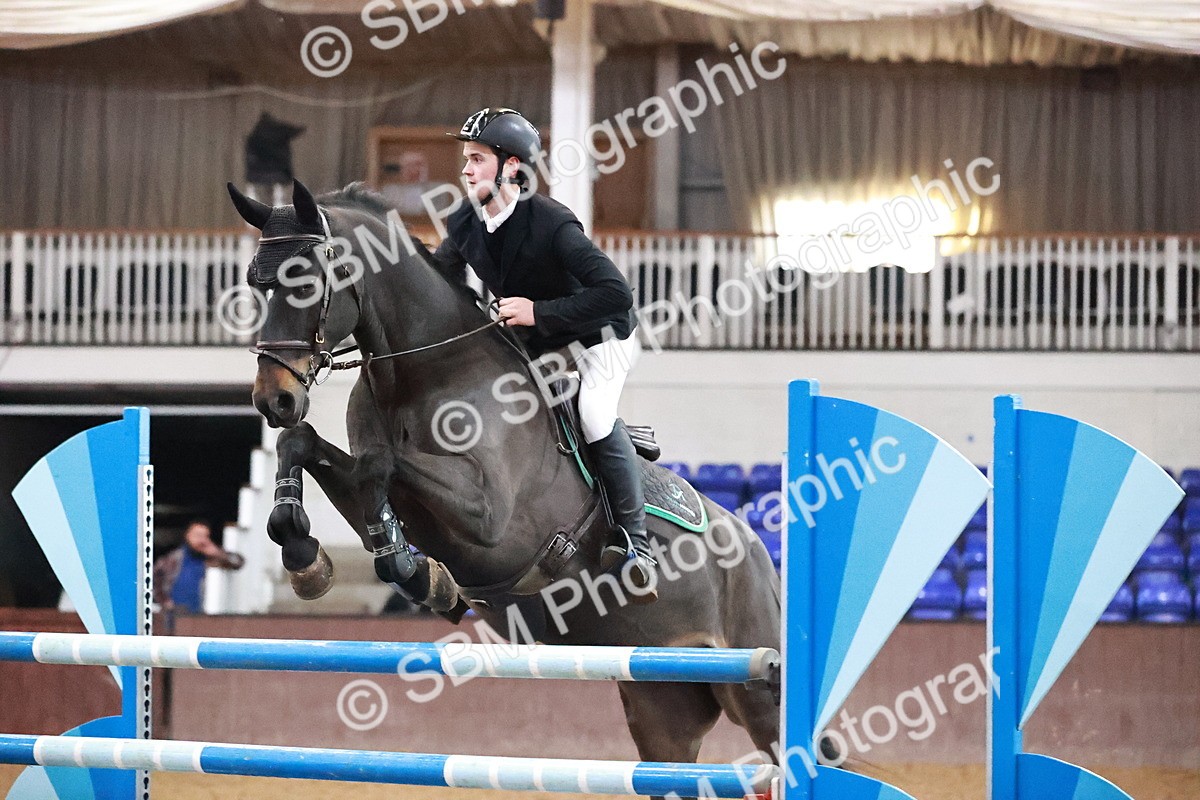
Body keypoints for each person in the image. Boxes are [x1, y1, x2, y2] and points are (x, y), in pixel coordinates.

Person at [432, 107, 658, 600]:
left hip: (601, 337)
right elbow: (440, 278)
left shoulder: (551, 222)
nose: (466, 170)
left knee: (595, 415)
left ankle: (637, 546)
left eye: (476, 159)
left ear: (512, 166)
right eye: (465, 159)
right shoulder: (465, 220)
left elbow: (617, 294)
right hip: (542, 343)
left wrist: (538, 312)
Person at [153, 520, 244, 614]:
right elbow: (153, 579)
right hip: (175, 614)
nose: (201, 540)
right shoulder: (173, 559)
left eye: (205, 536)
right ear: (187, 535)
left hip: (202, 615)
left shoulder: (212, 559)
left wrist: (218, 553)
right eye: (198, 535)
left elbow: (238, 562)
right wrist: (164, 602)